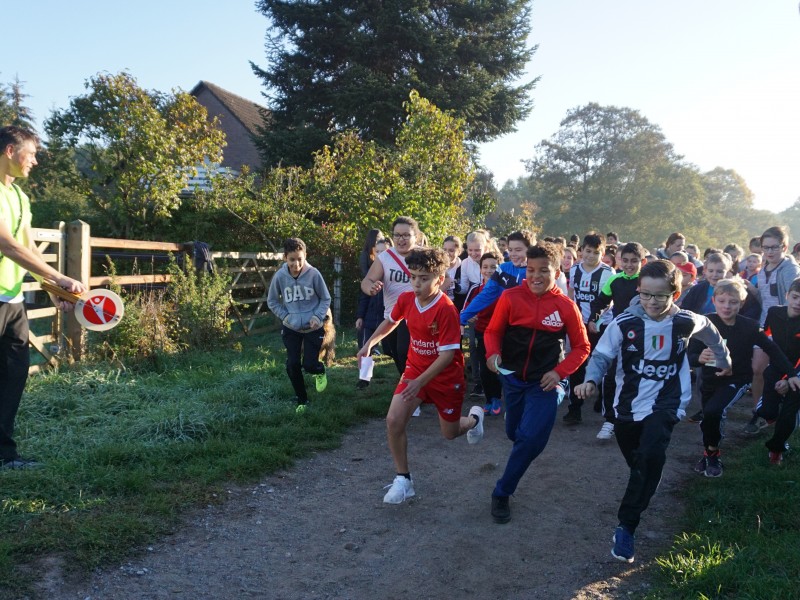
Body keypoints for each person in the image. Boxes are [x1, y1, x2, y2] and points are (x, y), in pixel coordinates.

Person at [574, 259, 730, 564]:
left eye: (660, 296)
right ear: (638, 290)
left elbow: (710, 330)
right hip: (627, 407)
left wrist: (724, 359)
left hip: (667, 403)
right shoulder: (624, 323)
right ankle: (648, 476)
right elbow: (602, 355)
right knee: (642, 466)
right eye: (646, 294)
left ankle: (626, 527)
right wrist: (591, 380)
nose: (652, 302)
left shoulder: (685, 321)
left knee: (649, 457)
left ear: (675, 293)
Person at [356, 247, 485, 504]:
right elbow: (391, 321)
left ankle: (474, 419)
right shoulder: (406, 299)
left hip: (445, 377)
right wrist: (369, 344)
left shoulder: (446, 309)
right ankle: (404, 480)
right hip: (414, 370)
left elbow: (447, 356)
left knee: (450, 433)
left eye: (424, 278)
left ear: (440, 279)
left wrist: (420, 382)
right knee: (394, 420)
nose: (416, 283)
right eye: (413, 277)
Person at [484, 242, 590, 524]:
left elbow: (582, 347)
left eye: (544, 270)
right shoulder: (510, 297)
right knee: (515, 434)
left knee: (530, 439)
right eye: (531, 270)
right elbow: (493, 331)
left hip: (545, 383)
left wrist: (559, 373)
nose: (536, 276)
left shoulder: (565, 306)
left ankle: (502, 492)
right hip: (512, 379)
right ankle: (527, 431)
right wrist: (492, 353)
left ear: (557, 272)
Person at [0, 126, 86, 470]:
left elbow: (29, 248)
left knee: (13, 375)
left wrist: (54, 290)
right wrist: (59, 277)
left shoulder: (19, 197)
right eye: (31, 154)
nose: (34, 161)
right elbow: (6, 244)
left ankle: (5, 455)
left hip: (11, 300)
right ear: (10, 151)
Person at [688, 279, 798, 477]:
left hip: (736, 379)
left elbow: (773, 349)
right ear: (713, 300)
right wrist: (699, 358)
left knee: (714, 411)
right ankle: (708, 453)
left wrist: (791, 374)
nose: (727, 306)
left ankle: (713, 455)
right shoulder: (704, 323)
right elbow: (690, 354)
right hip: (708, 380)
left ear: (742, 303)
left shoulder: (749, 326)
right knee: (708, 418)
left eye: (733, 302)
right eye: (722, 301)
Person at [587, 241, 647, 440]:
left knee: (638, 378)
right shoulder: (615, 280)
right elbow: (600, 302)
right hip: (619, 335)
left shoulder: (647, 280)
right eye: (625, 261)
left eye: (634, 261)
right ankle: (609, 420)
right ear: (619, 261)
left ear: (642, 261)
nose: (629, 265)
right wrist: (594, 318)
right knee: (611, 377)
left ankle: (639, 418)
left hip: (644, 336)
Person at [267, 237, 331, 413]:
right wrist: (286, 316)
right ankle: (302, 399)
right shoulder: (280, 276)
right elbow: (272, 301)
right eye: (292, 259)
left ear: (305, 256)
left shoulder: (314, 274)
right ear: (285, 258)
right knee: (292, 364)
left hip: (313, 327)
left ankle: (319, 370)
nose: (296, 264)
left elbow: (326, 298)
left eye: (300, 259)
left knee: (309, 365)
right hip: (291, 327)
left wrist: (317, 316)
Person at [746, 226, 800, 430]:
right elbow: (765, 299)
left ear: (784, 247)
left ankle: (779, 414)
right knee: (757, 369)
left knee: (782, 371)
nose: (769, 252)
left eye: (774, 247)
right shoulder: (763, 268)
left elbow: (793, 302)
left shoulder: (790, 269)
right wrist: (751, 290)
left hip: (786, 328)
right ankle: (758, 413)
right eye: (765, 247)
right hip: (765, 324)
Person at [748, 278, 800, 464]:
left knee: (788, 414)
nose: (798, 303)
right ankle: (768, 413)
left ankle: (776, 449)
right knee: (768, 412)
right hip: (776, 368)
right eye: (795, 297)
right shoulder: (774, 311)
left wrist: (789, 378)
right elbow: (766, 335)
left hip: (797, 373)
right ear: (787, 296)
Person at [563, 233, 614, 424]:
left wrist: (596, 320)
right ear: (581, 250)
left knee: (601, 363)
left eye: (596, 252)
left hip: (601, 325)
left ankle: (602, 397)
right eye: (588, 251)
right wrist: (569, 315)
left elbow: (609, 301)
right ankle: (574, 408)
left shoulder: (608, 273)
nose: (591, 256)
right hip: (579, 324)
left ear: (602, 253)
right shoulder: (575, 269)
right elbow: (571, 293)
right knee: (577, 364)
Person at [361, 216, 420, 376]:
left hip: (416, 314)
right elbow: (366, 281)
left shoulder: (423, 255)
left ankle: (413, 383)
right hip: (391, 315)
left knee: (403, 350)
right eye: (397, 235)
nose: (401, 239)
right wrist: (371, 288)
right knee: (392, 351)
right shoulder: (385, 257)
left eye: (406, 235)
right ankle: (407, 380)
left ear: (416, 236)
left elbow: (444, 279)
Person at [462, 251, 502, 415]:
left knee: (497, 367)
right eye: (485, 267)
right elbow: (465, 309)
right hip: (481, 332)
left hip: (500, 334)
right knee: (484, 369)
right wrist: (470, 316)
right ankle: (489, 399)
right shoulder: (476, 289)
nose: (489, 270)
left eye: (493, 267)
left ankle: (497, 398)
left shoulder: (504, 289)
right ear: (480, 269)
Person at [680, 252, 760, 321]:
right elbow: (686, 309)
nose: (714, 275)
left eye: (719, 271)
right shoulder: (698, 289)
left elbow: (753, 310)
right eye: (711, 271)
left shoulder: (737, 288)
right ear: (705, 271)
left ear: (727, 271)